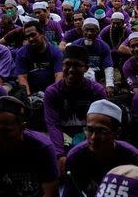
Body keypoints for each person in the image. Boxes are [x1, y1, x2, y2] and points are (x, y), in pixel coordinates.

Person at [44, 44, 107, 173]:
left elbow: (101, 124)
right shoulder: (52, 92)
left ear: (86, 68)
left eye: (77, 65)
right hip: (62, 134)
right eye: (67, 64)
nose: (71, 69)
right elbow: (53, 125)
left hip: (88, 134)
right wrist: (59, 154)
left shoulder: (96, 90)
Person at [16, 20, 63, 95]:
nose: (30, 39)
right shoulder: (21, 53)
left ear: (42, 34)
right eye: (27, 37)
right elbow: (22, 78)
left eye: (33, 35)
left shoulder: (55, 52)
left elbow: (59, 76)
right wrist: (28, 97)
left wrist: (54, 96)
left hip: (51, 90)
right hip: (31, 90)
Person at [72, 18, 114, 97]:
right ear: (82, 30)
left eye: (92, 30)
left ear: (98, 32)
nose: (89, 33)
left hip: (98, 77)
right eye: (86, 30)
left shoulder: (103, 46)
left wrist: (109, 85)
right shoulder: (75, 45)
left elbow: (108, 66)